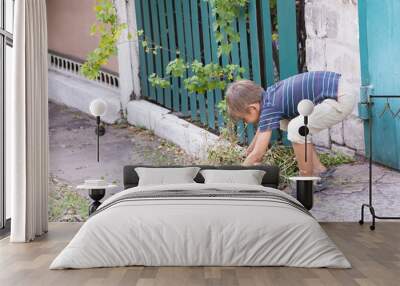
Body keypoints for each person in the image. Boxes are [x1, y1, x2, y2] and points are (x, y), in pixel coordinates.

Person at [225, 71, 355, 185]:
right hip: (338, 88)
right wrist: (249, 152)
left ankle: (307, 182)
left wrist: (238, 176)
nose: (245, 122)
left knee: (295, 128)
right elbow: (262, 130)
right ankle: (319, 170)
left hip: (340, 98)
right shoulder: (270, 96)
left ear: (252, 108)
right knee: (286, 123)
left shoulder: (270, 107)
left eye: (244, 119)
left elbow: (258, 154)